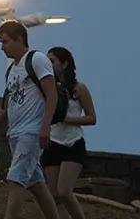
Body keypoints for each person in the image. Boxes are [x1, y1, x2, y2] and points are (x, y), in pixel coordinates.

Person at [0, 20, 61, 219]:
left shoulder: (37, 59)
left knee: (15, 180)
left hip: (31, 132)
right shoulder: (11, 71)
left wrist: (45, 127)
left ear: (19, 39)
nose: (2, 47)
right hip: (16, 134)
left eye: (5, 42)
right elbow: (5, 108)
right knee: (37, 186)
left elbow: (52, 94)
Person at [43, 47, 97, 219]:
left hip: (73, 143)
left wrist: (66, 119)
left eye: (52, 61)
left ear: (64, 63)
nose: (49, 65)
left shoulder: (79, 88)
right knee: (54, 195)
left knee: (65, 191)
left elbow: (91, 118)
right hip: (52, 142)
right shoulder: (47, 88)